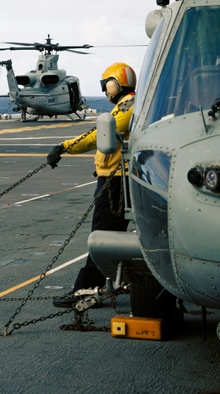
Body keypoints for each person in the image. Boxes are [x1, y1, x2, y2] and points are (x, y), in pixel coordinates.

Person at [46, 62, 137, 308]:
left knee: (102, 236)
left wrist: (65, 146)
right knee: (113, 235)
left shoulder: (128, 105)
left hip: (118, 182)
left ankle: (86, 290)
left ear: (114, 83)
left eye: (106, 84)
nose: (106, 89)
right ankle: (129, 279)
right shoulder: (127, 104)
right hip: (116, 177)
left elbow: (101, 134)